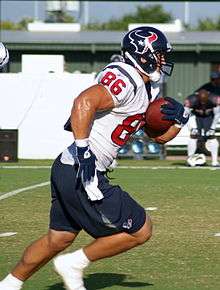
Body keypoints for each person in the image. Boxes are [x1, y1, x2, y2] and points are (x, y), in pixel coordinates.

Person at [0, 26, 189, 290]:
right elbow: (83, 102)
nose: (162, 59)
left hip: (67, 167)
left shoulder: (147, 88)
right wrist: (84, 151)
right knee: (141, 230)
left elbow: (157, 137)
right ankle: (75, 263)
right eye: (158, 54)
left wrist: (180, 120)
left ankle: (9, 284)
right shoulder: (125, 77)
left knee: (59, 238)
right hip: (83, 169)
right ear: (142, 54)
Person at [185, 89, 220, 167]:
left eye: (205, 101)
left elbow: (217, 115)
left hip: (209, 117)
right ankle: (190, 160)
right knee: (193, 135)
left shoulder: (215, 99)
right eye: (201, 101)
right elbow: (186, 114)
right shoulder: (191, 99)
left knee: (212, 136)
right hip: (195, 116)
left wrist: (212, 128)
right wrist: (191, 128)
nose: (203, 104)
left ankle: (214, 161)